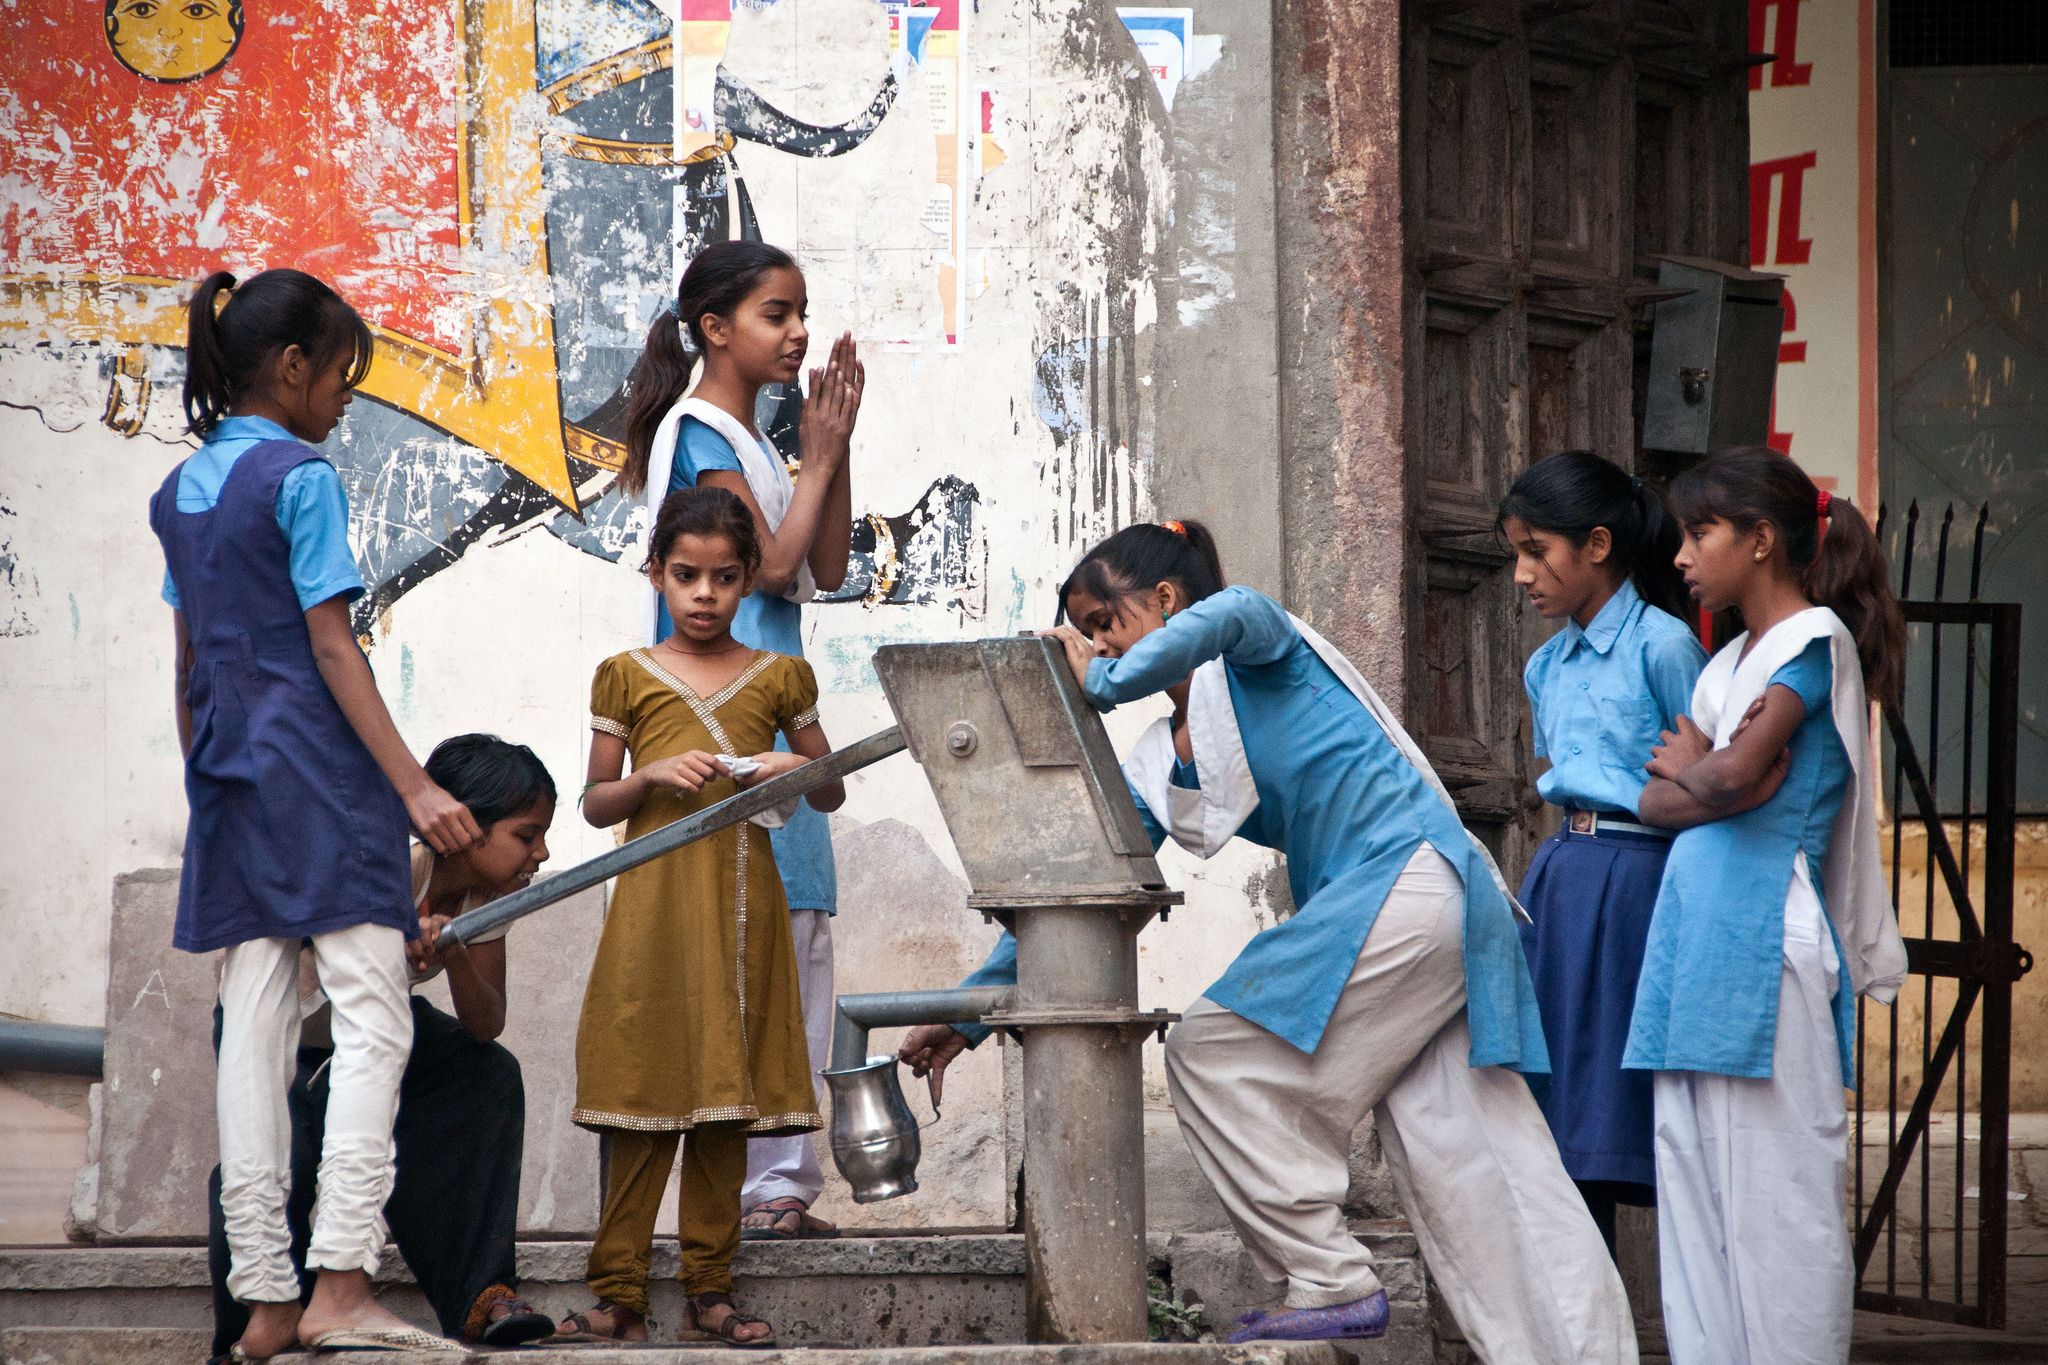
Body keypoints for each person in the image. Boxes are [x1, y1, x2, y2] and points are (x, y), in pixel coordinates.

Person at [902, 521, 1638, 1362]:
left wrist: (1097, 679)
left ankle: (1327, 1275)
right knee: (1480, 1167)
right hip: (1406, 909)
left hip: (1412, 884)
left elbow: (1224, 615)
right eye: (1087, 630)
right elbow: (1093, 894)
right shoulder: (1163, 756)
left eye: (1105, 621)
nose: (1095, 644)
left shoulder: (1253, 635)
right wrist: (966, 1014)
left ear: (1170, 602)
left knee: (1212, 1050)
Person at [153, 268, 482, 1359]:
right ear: (293, 368)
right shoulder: (303, 477)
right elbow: (333, 643)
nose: (344, 397)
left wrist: (206, 779)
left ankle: (265, 1299)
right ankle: (341, 1277)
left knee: (251, 1029)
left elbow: (188, 655)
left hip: (228, 774)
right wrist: (415, 786)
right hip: (317, 771)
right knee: (372, 1014)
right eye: (340, 375)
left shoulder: (184, 489)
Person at [1624, 447, 1908, 1364]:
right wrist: (1712, 783)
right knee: (1697, 1197)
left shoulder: (1811, 640)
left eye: (1699, 533)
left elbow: (1734, 769)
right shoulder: (1726, 664)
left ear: (1760, 541)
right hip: (1692, 947)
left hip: (1762, 942)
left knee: (1777, 1200)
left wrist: (1710, 778)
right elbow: (1659, 797)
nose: (1680, 556)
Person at [618, 239, 863, 1241]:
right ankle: (763, 1189)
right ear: (716, 329)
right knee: (749, 945)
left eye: (800, 311)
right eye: (776, 313)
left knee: (793, 939)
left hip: (770, 710)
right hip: (720, 722)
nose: (797, 331)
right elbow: (766, 570)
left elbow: (831, 564)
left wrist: (831, 447)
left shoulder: (759, 442)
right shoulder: (701, 432)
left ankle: (778, 1185)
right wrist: (812, 449)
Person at [561, 485, 846, 1345]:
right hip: (651, 919)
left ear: (749, 579)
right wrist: (651, 776)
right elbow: (595, 803)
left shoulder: (781, 678)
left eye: (724, 577)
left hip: (746, 919)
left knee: (727, 1104)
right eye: (685, 575)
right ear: (656, 572)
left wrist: (778, 765)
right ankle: (617, 1294)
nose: (704, 594)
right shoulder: (625, 674)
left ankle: (711, 1294)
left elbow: (828, 785)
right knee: (641, 1092)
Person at [205, 735, 560, 1357]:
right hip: (299, 1037)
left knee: (485, 1074)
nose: (542, 851)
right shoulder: (391, 857)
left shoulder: (492, 892)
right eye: (526, 835)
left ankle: (482, 1296)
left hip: (382, 1023)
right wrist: (384, 937)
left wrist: (453, 954)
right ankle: (260, 1316)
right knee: (284, 1156)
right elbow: (296, 962)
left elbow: (485, 1022)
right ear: (466, 827)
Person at [1497, 451, 1708, 1257]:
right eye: (1516, 552)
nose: (1522, 573)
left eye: (1535, 550)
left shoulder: (1664, 646)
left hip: (1641, 884)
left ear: (1595, 544)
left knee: (1626, 1100)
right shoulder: (1543, 663)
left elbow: (1705, 777)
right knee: (1560, 1107)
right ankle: (1585, 1322)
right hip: (1562, 879)